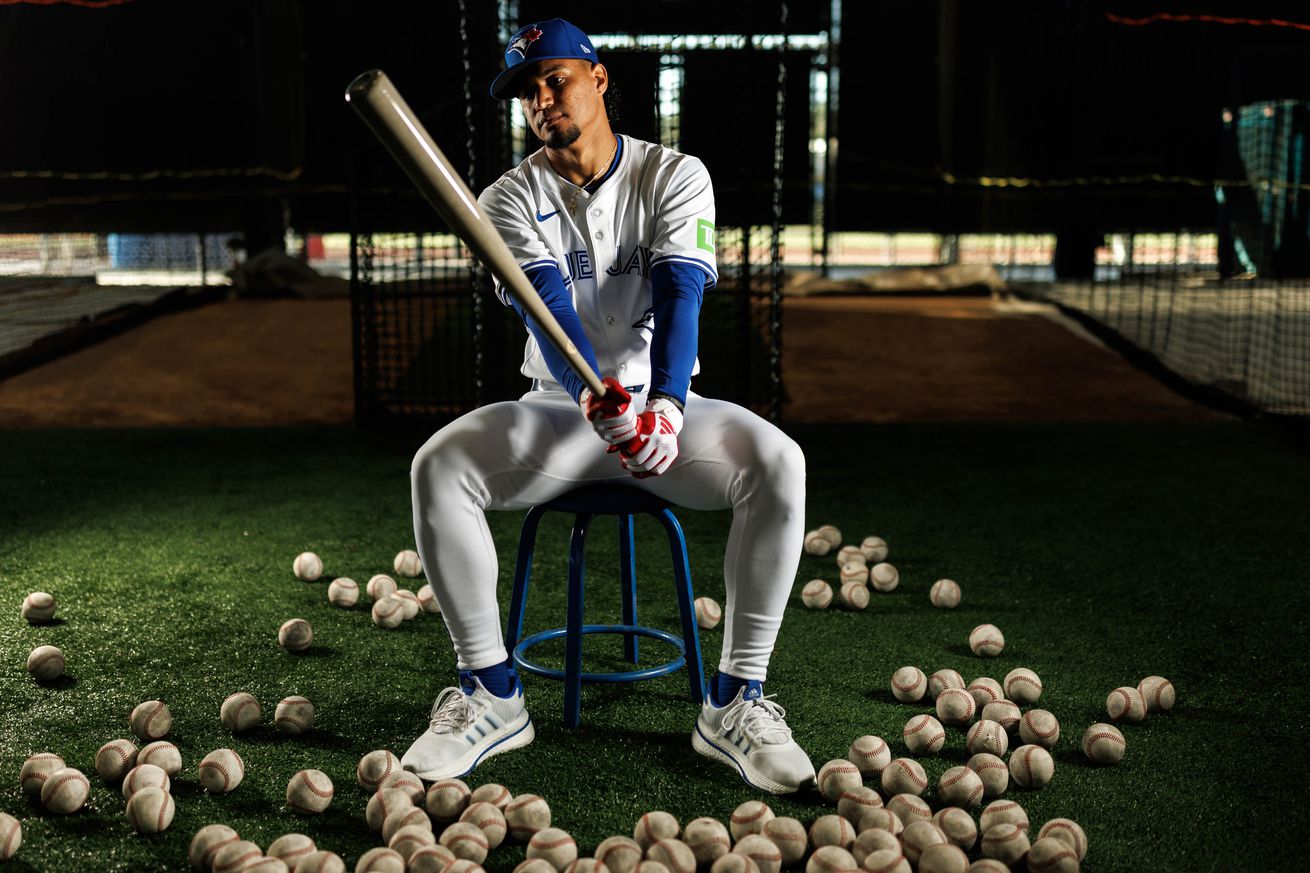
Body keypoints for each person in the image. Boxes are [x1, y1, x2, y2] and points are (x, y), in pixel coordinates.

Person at [401, 18, 814, 795]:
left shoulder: (675, 173)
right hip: (559, 412)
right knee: (440, 463)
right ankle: (492, 692)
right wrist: (602, 400)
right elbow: (545, 312)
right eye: (527, 89)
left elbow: (682, 291)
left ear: (598, 79)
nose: (541, 98)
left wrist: (663, 406)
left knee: (779, 462)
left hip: (670, 413)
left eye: (554, 78)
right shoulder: (507, 196)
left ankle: (735, 702)